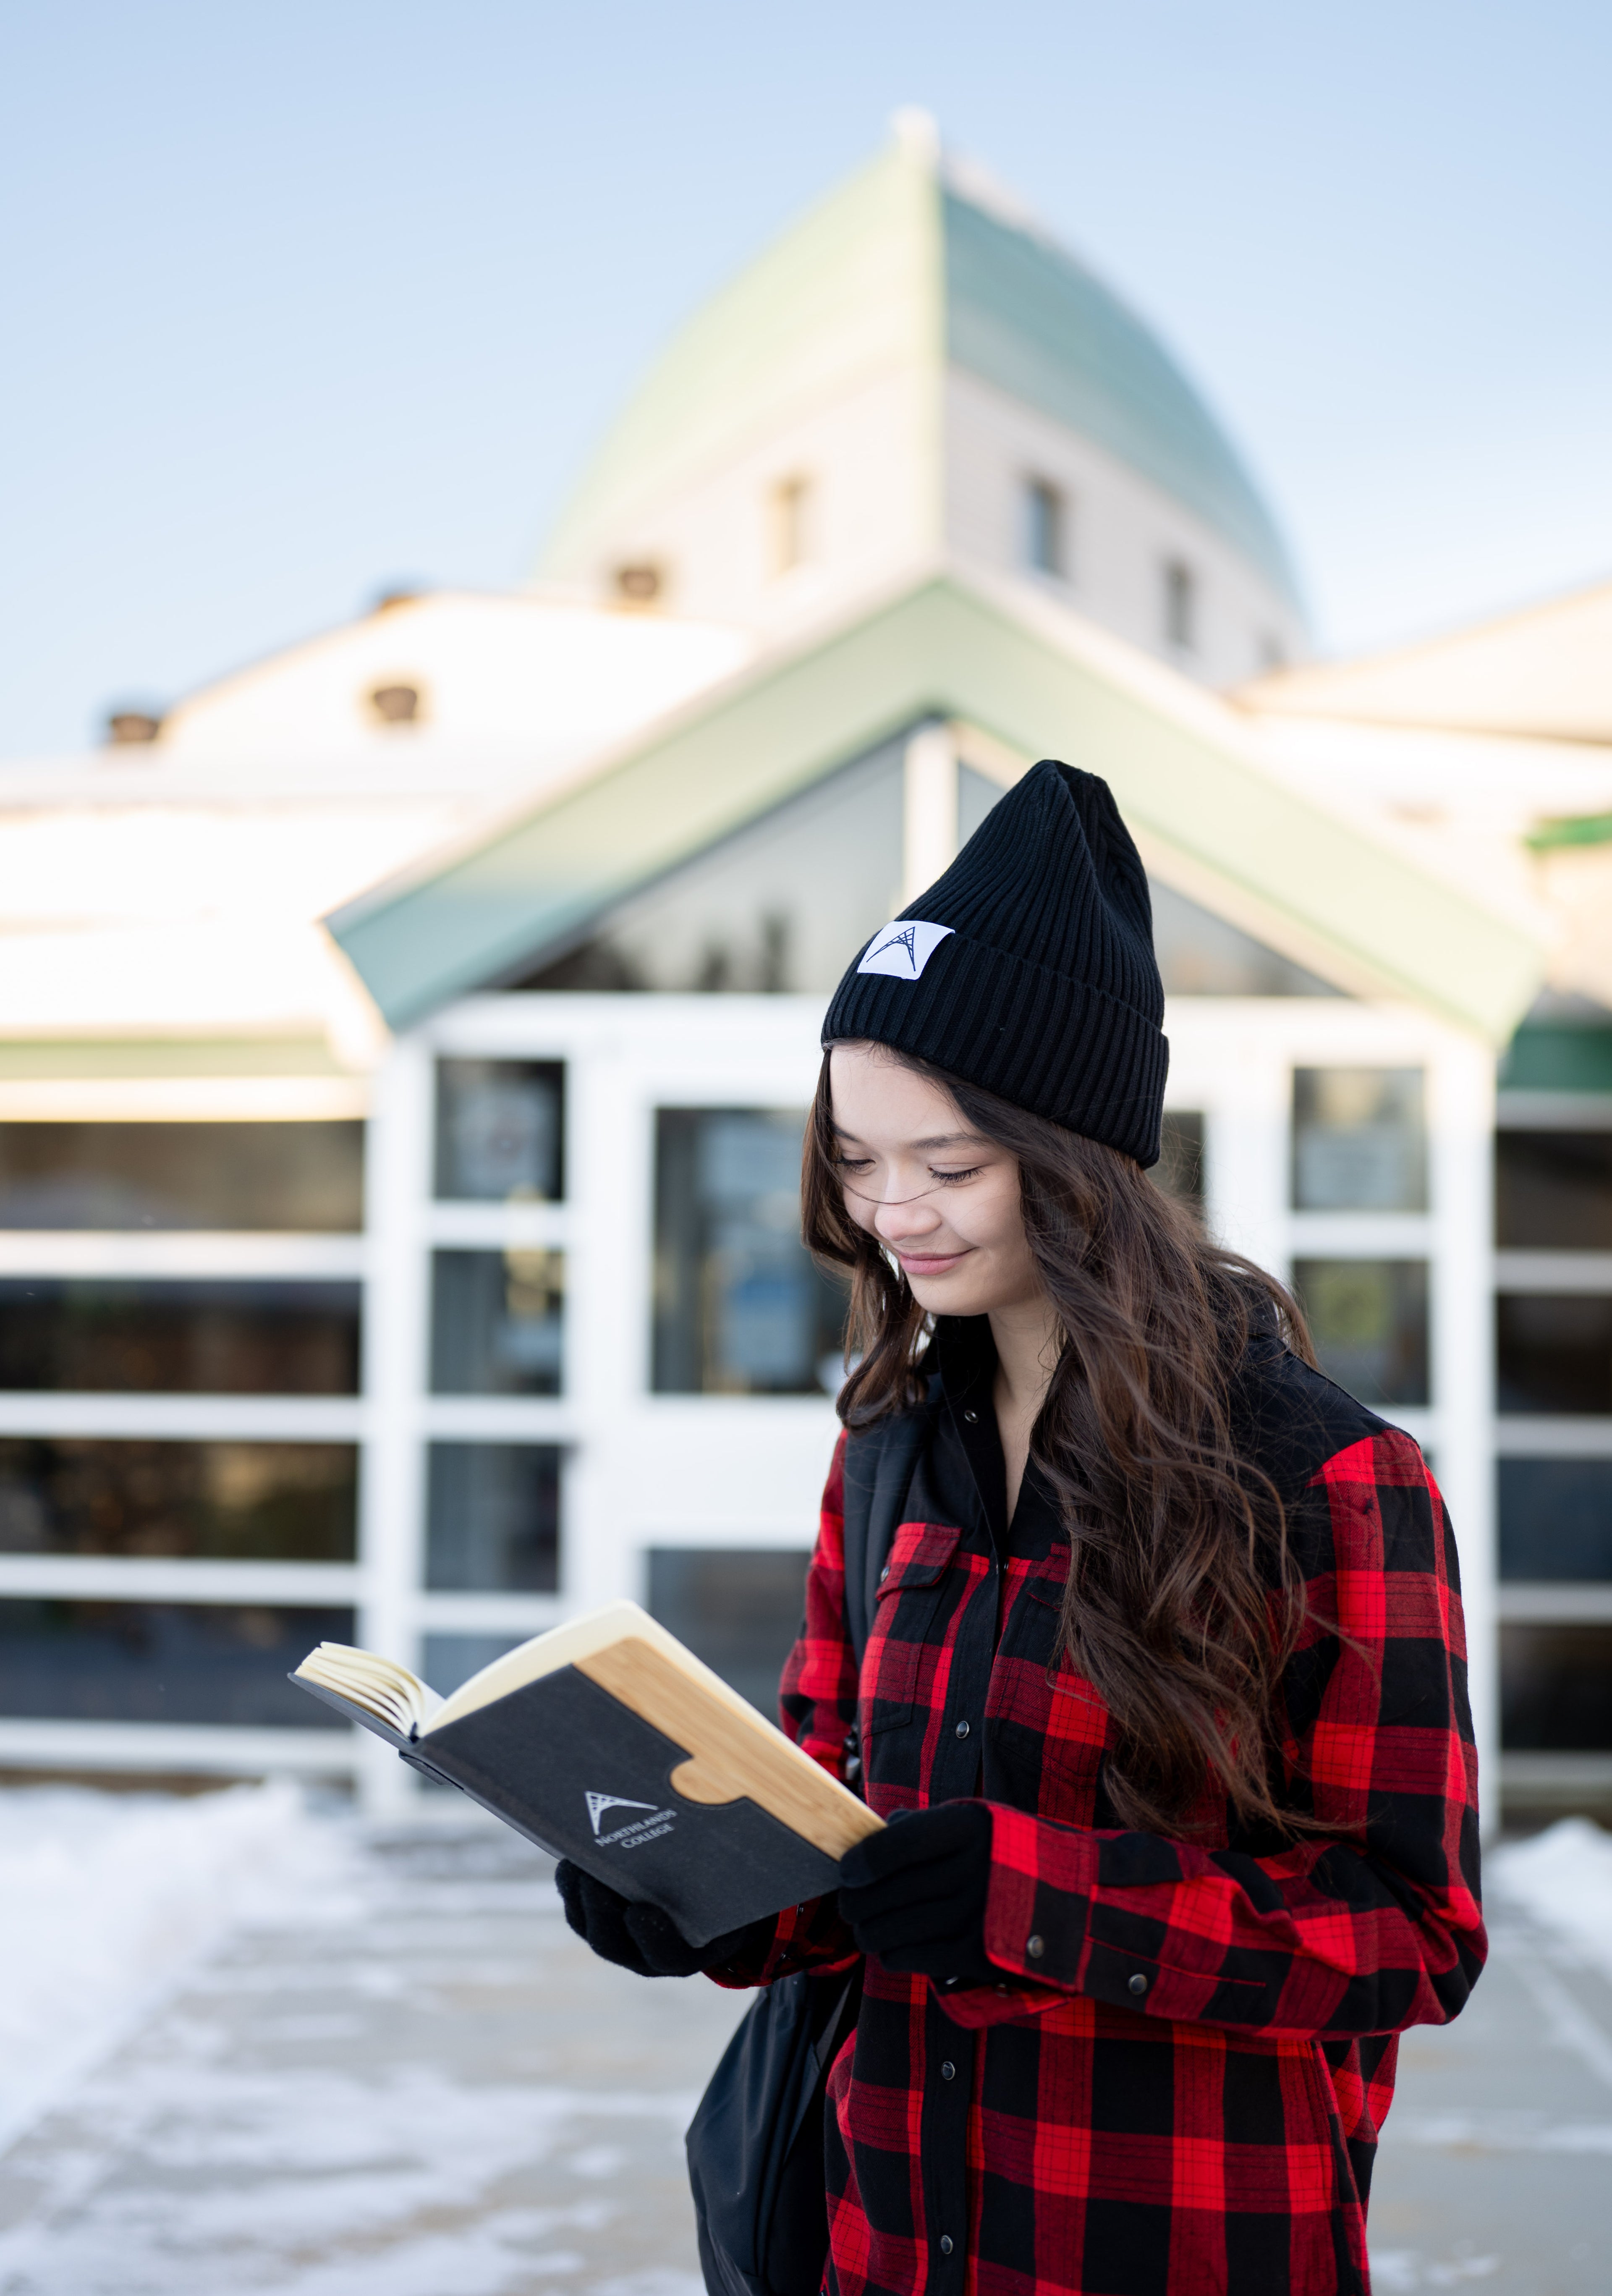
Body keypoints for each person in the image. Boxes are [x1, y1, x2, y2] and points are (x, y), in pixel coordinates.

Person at [558, 762, 1485, 2296]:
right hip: (883, 2235)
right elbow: (837, 1820)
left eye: (950, 1163)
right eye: (857, 1160)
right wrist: (694, 1897)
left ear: (1085, 1165)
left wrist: (1034, 1897)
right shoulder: (886, 1455)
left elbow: (1408, 1934)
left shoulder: (1326, 1481)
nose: (891, 1211)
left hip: (1170, 2240)